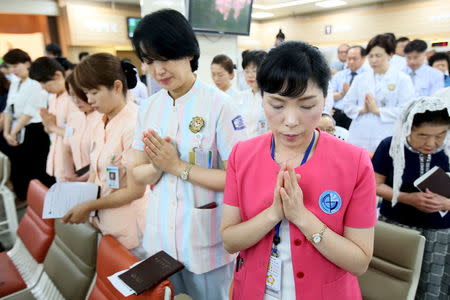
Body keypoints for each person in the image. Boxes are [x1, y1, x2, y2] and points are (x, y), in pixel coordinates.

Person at [221, 41, 376, 300]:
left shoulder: (354, 162)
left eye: (306, 106)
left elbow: (359, 262)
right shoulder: (242, 154)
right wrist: (273, 214)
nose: (291, 121)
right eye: (277, 105)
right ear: (262, 99)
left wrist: (301, 216)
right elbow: (230, 240)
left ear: (325, 99)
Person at [131, 9, 247, 300]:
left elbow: (239, 178)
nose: (158, 70)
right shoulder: (148, 108)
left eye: (165, 57)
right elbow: (137, 170)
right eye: (149, 61)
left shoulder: (220, 105)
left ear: (188, 52)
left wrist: (176, 166)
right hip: (159, 237)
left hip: (203, 241)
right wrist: (157, 168)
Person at [62, 53, 147, 252]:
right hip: (106, 221)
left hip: (131, 227)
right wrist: (82, 195)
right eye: (86, 93)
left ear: (117, 87)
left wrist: (88, 206)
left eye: (93, 92)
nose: (89, 100)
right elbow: (97, 171)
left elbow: (136, 190)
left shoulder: (134, 125)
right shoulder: (101, 122)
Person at [372, 96, 450, 300]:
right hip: (398, 228)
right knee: (393, 284)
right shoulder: (390, 147)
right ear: (408, 128)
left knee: (431, 287)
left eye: (441, 134)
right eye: (423, 135)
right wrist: (407, 198)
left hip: (440, 233)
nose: (432, 143)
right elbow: (374, 185)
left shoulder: (449, 151)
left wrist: (446, 203)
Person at [343, 34, 415, 152]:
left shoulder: (402, 79)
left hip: (387, 132)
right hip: (360, 133)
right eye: (370, 56)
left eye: (378, 55)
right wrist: (362, 110)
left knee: (382, 166)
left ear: (390, 55)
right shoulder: (360, 78)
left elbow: (407, 110)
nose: (374, 60)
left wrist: (377, 111)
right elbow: (347, 105)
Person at [1, 49, 52, 200]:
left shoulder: (36, 82)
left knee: (38, 168)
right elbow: (8, 108)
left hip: (34, 130)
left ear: (27, 63)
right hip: (16, 129)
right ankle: (27, 199)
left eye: (16, 65)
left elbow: (30, 111)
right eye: (10, 66)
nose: (13, 70)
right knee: (20, 169)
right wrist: (6, 132)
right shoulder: (15, 83)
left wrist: (12, 131)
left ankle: (46, 201)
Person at [29, 57, 79, 182]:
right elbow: (52, 130)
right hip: (58, 158)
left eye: (45, 83)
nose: (43, 88)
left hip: (73, 163)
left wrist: (52, 127)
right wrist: (48, 126)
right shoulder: (53, 98)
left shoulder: (74, 99)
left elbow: (78, 135)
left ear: (57, 75)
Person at [62, 73, 102, 181]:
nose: (76, 100)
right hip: (77, 174)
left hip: (97, 178)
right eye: (72, 95)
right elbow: (66, 147)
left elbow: (103, 156)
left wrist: (83, 178)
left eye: (79, 94)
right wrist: (69, 172)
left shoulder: (103, 117)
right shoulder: (74, 117)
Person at [331, 45, 368, 129]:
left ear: (363, 58)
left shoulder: (368, 76)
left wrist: (350, 92)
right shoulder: (339, 75)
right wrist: (343, 93)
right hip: (337, 113)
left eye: (354, 59)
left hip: (356, 115)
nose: (351, 61)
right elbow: (330, 95)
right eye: (349, 58)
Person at [239, 50, 268, 138]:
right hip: (243, 145)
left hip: (262, 146)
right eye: (247, 71)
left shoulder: (271, 97)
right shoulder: (242, 96)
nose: (250, 75)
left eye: (254, 71)